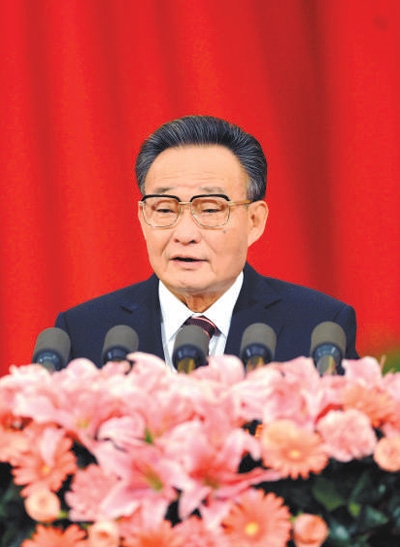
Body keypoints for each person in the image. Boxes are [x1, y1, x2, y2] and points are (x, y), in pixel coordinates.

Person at [55, 115, 358, 369]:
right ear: (143, 218)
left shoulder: (319, 328)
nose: (185, 234)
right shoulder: (83, 333)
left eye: (210, 209)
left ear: (254, 221)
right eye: (165, 209)